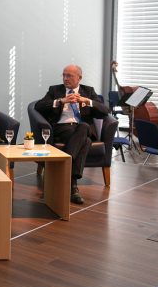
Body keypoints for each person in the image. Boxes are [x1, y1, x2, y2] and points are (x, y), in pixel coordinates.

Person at [34, 64, 108, 204]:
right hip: (62, 128)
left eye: (69, 75)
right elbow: (39, 106)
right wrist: (61, 101)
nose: (65, 78)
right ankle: (73, 188)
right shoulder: (55, 90)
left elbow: (105, 110)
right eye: (64, 75)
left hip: (81, 127)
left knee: (84, 129)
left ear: (79, 77)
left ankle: (66, 172)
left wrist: (87, 101)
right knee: (84, 140)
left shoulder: (88, 91)